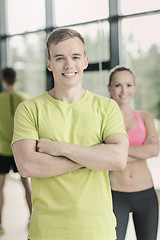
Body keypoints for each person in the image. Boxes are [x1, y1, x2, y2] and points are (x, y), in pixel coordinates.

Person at [12, 28, 128, 240]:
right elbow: (27, 166)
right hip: (46, 232)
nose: (68, 65)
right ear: (49, 64)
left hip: (98, 231)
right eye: (59, 58)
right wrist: (94, 156)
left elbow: (118, 159)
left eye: (75, 57)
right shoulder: (29, 109)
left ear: (85, 61)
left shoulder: (107, 108)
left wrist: (61, 149)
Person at [108, 66, 159, 240]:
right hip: (115, 195)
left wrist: (116, 152)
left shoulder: (145, 117)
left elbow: (154, 150)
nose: (124, 91)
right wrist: (140, 151)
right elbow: (101, 156)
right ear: (109, 88)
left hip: (146, 195)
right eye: (118, 85)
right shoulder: (103, 119)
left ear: (135, 88)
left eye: (129, 85)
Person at [0, 67, 32, 234]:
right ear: (17, 79)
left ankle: (0, 225)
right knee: (26, 185)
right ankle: (32, 219)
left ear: (3, 80)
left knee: (0, 187)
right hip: (20, 150)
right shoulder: (25, 100)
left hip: (2, 150)